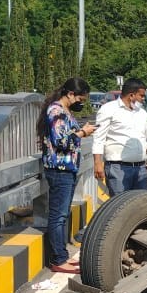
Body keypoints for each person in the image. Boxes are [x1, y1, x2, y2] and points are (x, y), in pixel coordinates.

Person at [36, 77, 95, 273]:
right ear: (70, 94)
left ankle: (62, 256)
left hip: (67, 169)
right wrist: (83, 133)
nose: (81, 103)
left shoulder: (64, 111)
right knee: (58, 216)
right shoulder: (56, 111)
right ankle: (58, 259)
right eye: (81, 99)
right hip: (59, 169)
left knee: (62, 215)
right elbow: (61, 141)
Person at [92, 77, 147, 197]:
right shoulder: (108, 109)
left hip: (141, 168)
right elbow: (99, 138)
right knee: (119, 209)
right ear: (131, 95)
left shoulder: (141, 113)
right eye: (141, 96)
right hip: (118, 168)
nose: (143, 99)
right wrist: (97, 163)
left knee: (139, 206)